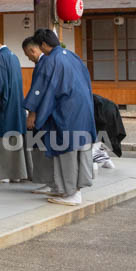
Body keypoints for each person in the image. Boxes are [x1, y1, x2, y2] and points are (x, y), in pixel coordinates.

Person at [25, 29, 96, 206]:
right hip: (83, 108)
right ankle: (67, 190)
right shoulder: (72, 55)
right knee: (79, 148)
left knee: (67, 149)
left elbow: (40, 89)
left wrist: (32, 112)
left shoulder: (51, 60)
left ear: (42, 44)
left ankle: (73, 192)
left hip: (66, 111)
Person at [0, 35, 32, 183]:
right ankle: (16, 173)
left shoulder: (0, 58)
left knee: (0, 134)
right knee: (15, 134)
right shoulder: (13, 56)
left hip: (5, 105)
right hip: (17, 104)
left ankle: (3, 174)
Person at [21, 37, 59, 194]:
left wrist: (31, 113)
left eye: (27, 54)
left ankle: (50, 181)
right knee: (41, 145)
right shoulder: (47, 62)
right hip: (46, 112)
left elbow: (38, 91)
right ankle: (48, 181)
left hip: (43, 113)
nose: (28, 58)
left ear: (33, 50)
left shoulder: (44, 63)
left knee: (42, 146)